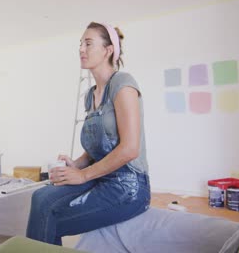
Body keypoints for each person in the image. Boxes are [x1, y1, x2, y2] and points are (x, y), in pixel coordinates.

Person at [26, 22, 151, 246]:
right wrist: (77, 164)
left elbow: (130, 148)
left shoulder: (123, 84)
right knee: (40, 197)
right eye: (80, 44)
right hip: (100, 177)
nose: (81, 49)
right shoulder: (90, 95)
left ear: (108, 50)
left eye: (88, 43)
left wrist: (83, 175)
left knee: (48, 217)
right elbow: (97, 146)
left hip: (129, 186)